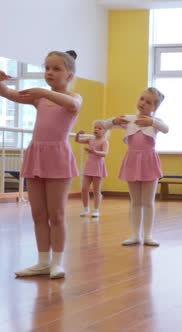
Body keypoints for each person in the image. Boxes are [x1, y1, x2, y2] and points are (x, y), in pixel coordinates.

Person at [0, 50, 82, 279]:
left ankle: (57, 262)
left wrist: (41, 92)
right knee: (38, 213)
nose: (49, 73)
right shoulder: (41, 98)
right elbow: (10, 95)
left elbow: (71, 105)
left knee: (56, 214)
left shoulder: (74, 97)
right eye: (47, 68)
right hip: (36, 156)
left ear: (69, 75)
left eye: (56, 69)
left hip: (58, 158)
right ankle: (42, 261)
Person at [100, 87, 168, 246]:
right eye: (142, 99)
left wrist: (151, 121)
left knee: (148, 201)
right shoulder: (130, 119)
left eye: (149, 102)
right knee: (135, 201)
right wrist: (114, 121)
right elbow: (104, 124)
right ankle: (135, 235)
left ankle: (148, 235)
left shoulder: (155, 123)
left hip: (149, 162)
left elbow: (166, 129)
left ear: (154, 108)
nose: (143, 103)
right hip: (132, 161)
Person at [75, 121, 109, 218]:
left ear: (105, 131)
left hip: (98, 167)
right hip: (89, 167)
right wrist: (78, 134)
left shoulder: (104, 141)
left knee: (96, 190)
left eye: (99, 128)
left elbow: (105, 154)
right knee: (84, 189)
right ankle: (86, 208)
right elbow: (77, 140)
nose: (96, 130)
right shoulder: (90, 139)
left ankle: (96, 210)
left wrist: (94, 151)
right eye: (95, 127)